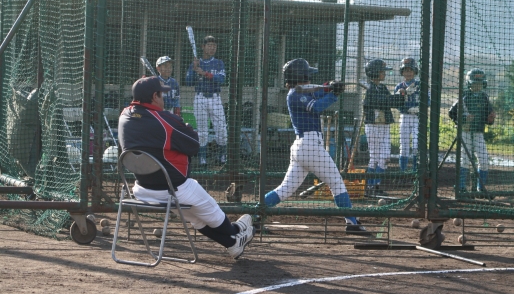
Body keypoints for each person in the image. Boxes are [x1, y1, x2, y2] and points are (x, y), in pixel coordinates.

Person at [118, 76, 254, 259]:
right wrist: (184, 125)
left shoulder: (124, 115)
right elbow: (194, 145)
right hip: (174, 188)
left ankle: (232, 243)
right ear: (154, 96)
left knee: (195, 217)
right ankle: (236, 230)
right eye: (161, 94)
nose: (164, 98)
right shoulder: (165, 120)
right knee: (212, 212)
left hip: (141, 190)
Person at [262, 58, 370, 235]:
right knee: (336, 182)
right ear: (301, 76)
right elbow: (317, 107)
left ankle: (253, 217)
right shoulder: (295, 94)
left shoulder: (302, 91)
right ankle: (352, 223)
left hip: (304, 147)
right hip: (309, 147)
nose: (310, 78)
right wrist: (334, 94)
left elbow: (317, 92)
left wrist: (330, 86)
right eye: (308, 75)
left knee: (285, 189)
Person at [448, 68, 496, 194]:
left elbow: (488, 116)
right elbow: (452, 113)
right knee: (465, 159)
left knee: (484, 159)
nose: (478, 86)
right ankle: (461, 187)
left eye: (480, 83)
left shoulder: (484, 97)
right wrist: (464, 119)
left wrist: (490, 119)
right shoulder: (464, 97)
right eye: (475, 83)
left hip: (478, 132)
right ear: (469, 83)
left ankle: (481, 188)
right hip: (466, 132)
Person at [363, 59, 406, 193]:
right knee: (375, 157)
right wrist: (396, 97)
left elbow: (392, 102)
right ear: (375, 72)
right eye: (382, 71)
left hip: (384, 125)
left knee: (385, 156)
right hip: (373, 126)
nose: (384, 74)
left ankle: (376, 186)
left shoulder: (382, 87)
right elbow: (381, 102)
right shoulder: (369, 87)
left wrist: (401, 95)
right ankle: (370, 187)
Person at [185, 35, 228, 166]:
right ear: (203, 47)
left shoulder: (219, 63)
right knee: (202, 131)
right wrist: (194, 69)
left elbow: (221, 79)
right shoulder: (197, 63)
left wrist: (205, 73)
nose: (212, 48)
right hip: (200, 98)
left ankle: (222, 157)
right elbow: (188, 82)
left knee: (221, 129)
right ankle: (202, 159)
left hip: (215, 98)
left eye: (214, 46)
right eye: (209, 45)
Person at [394, 57, 424, 172]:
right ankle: (403, 171)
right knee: (404, 145)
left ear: (415, 71)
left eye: (410, 70)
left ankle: (415, 171)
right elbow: (395, 103)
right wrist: (401, 99)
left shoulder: (420, 85)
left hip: (417, 118)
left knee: (416, 144)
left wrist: (419, 108)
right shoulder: (399, 86)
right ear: (402, 72)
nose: (408, 73)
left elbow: (428, 100)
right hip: (405, 117)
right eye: (406, 70)